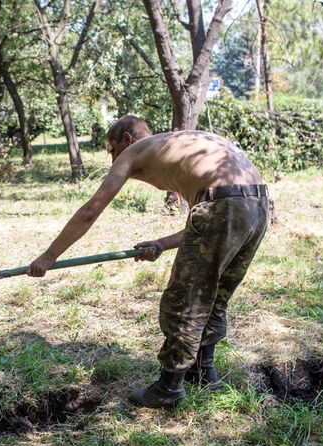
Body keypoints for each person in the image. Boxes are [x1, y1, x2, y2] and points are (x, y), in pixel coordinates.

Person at [27, 115, 269, 408]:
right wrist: (162, 244)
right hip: (259, 206)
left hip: (225, 206)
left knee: (185, 301)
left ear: (126, 140)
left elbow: (91, 210)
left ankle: (168, 389)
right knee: (214, 296)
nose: (113, 159)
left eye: (112, 150)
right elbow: (214, 217)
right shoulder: (181, 146)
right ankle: (204, 374)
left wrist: (49, 256)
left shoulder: (134, 151)